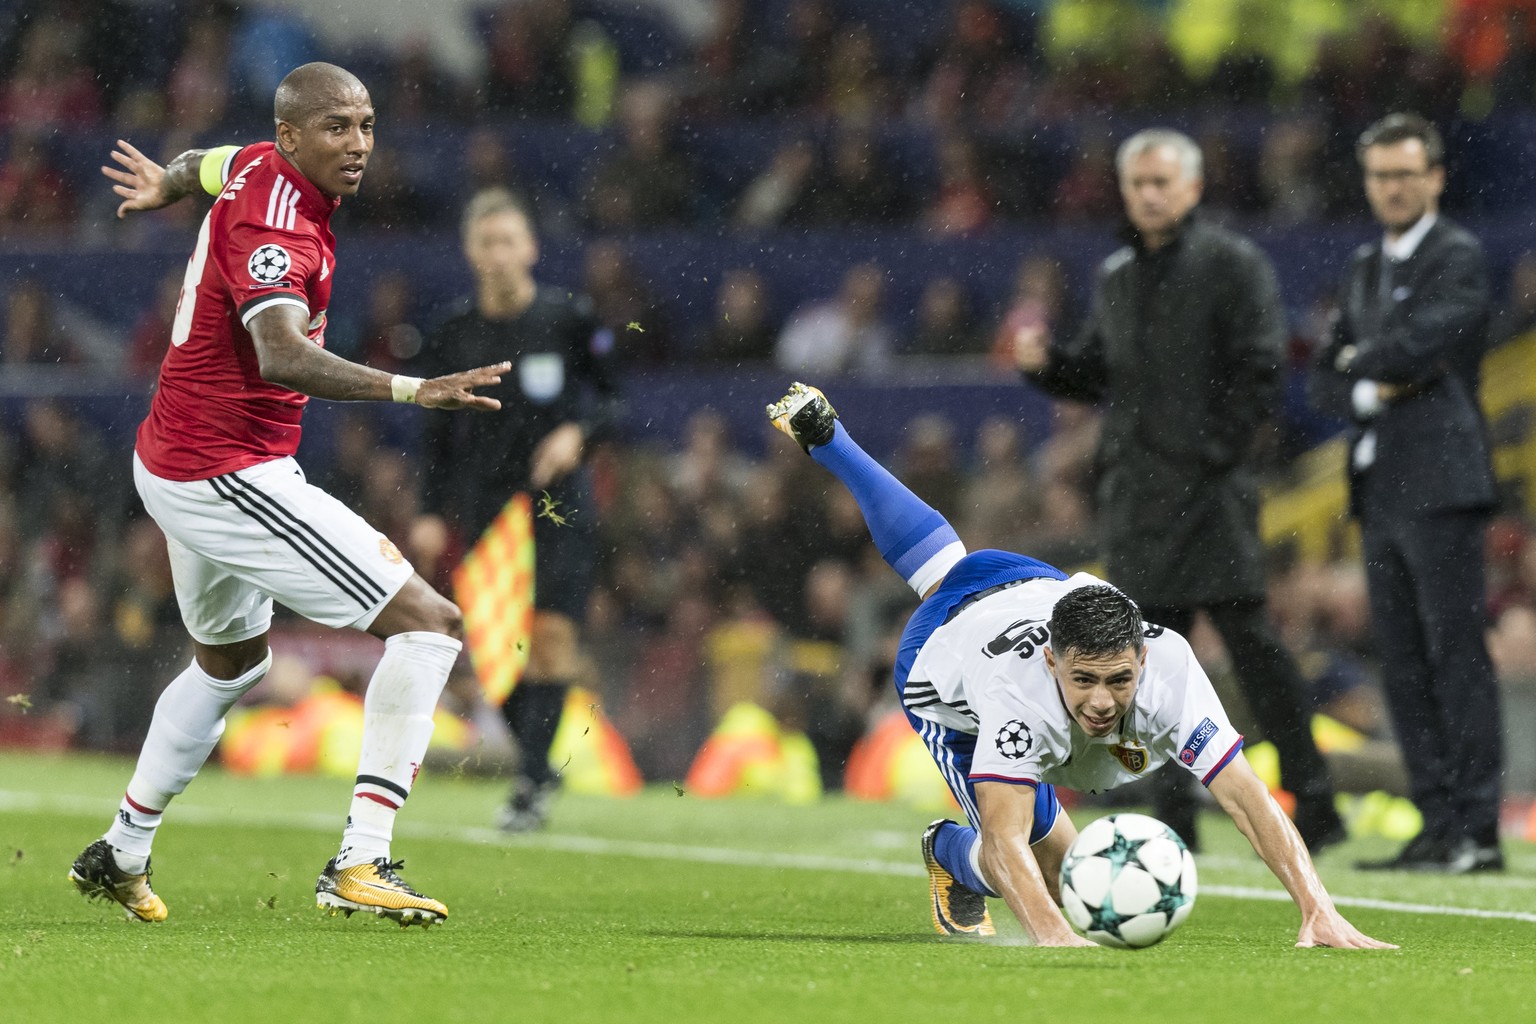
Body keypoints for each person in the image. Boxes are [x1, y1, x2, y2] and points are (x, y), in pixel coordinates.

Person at [67, 63, 510, 928]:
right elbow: (281, 353)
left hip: (175, 455)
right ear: (294, 137)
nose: (360, 145)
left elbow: (208, 160)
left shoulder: (256, 165)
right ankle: (361, 860)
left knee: (234, 662)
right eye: (339, 128)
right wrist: (413, 391)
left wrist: (168, 179)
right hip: (225, 469)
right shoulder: (280, 231)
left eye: (368, 125)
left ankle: (120, 850)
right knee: (430, 623)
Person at [765, 383, 1394, 950]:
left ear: (1142, 658)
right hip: (944, 664)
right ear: (1053, 662)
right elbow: (1009, 840)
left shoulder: (1169, 667)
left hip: (1031, 583)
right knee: (1045, 866)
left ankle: (832, 440)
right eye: (1084, 680)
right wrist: (1055, 937)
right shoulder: (1020, 695)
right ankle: (948, 850)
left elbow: (1246, 797)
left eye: (1119, 680)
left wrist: (1318, 908)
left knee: (940, 564)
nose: (1101, 701)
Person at [1014, 128, 1343, 853]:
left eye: (1163, 182)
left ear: (1193, 189)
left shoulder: (1233, 265)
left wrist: (1213, 455)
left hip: (1211, 495)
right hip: (1138, 500)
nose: (1150, 195)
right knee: (1146, 664)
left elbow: (1263, 370)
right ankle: (1174, 814)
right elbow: (1099, 375)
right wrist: (1046, 365)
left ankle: (1315, 806)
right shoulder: (1119, 276)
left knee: (1256, 653)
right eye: (1138, 184)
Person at [1309, 113, 1504, 873]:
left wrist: (1367, 361)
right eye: (1381, 175)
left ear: (1435, 177)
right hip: (1382, 485)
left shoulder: (1455, 255)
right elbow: (1329, 373)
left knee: (1456, 656)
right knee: (1402, 658)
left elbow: (1431, 344)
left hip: (1443, 484)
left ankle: (1477, 828)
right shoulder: (1364, 266)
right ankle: (1435, 821)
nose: (1393, 187)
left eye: (1406, 173)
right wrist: (1370, 380)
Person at [413, 187, 620, 833]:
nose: (499, 255)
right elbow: (434, 436)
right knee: (498, 652)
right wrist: (427, 509)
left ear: (530, 248)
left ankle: (529, 782)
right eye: (486, 243)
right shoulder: (452, 334)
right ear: (471, 253)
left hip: (557, 505)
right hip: (483, 507)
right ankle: (537, 761)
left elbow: (614, 401)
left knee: (553, 639)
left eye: (509, 241)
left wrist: (577, 435)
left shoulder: (569, 318)